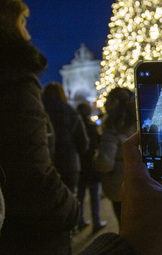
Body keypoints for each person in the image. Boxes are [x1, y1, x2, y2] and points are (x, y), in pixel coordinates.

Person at [0, 0, 79, 254]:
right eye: (22, 22)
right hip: (30, 234)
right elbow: (32, 174)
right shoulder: (15, 80)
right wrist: (72, 209)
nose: (28, 33)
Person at [80, 133, 162, 255]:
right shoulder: (133, 131)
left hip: (122, 183)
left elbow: (104, 163)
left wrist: (130, 241)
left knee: (125, 213)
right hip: (140, 177)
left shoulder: (111, 132)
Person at [95, 88, 136, 226]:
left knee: (125, 225)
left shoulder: (112, 128)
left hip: (119, 184)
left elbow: (105, 163)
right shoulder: (137, 121)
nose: (105, 104)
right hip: (138, 179)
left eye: (108, 100)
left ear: (116, 102)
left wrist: (95, 160)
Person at [42, 82, 89, 193]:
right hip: (68, 164)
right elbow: (82, 144)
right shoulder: (71, 113)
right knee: (69, 202)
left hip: (44, 164)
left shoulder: (40, 111)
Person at [77, 102, 107, 233]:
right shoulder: (92, 127)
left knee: (80, 195)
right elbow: (98, 145)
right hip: (92, 165)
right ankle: (96, 221)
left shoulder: (76, 126)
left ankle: (80, 221)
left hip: (80, 165)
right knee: (94, 195)